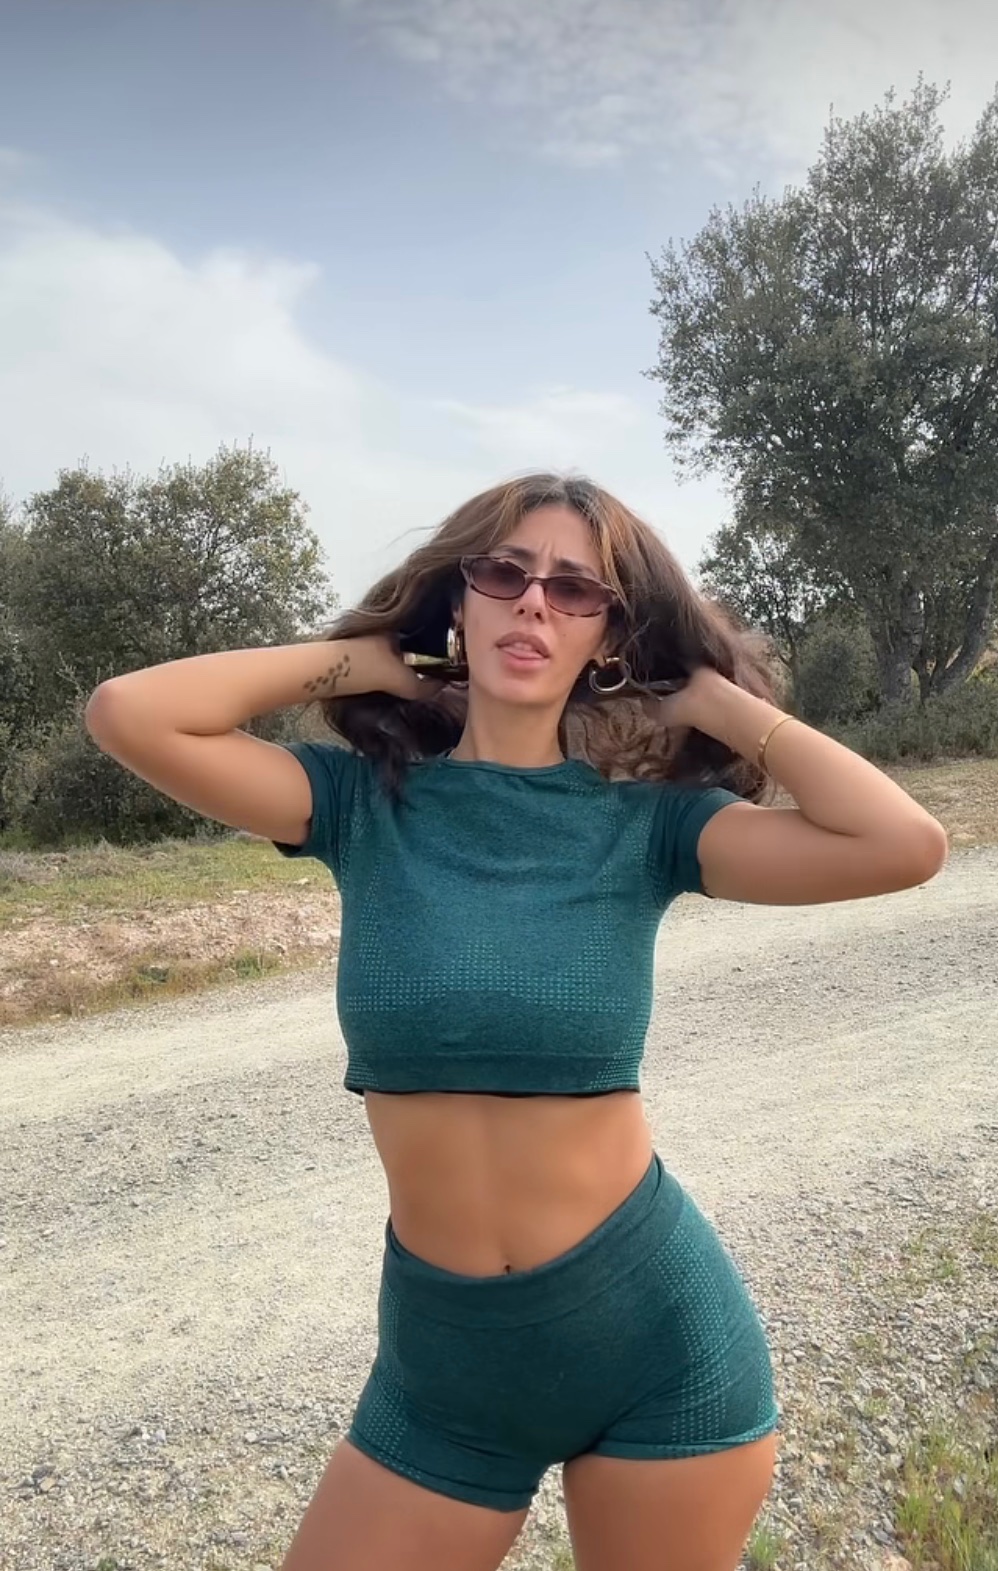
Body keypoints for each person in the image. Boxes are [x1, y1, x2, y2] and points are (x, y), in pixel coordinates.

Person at [85, 473, 949, 1571]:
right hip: (445, 1366)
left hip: (654, 1343)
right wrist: (371, 658)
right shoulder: (358, 803)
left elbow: (902, 844)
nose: (534, 600)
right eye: (504, 572)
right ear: (459, 599)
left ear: (608, 634)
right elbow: (128, 712)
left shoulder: (650, 828)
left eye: (575, 588)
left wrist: (713, 703)